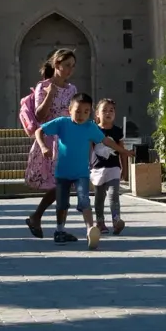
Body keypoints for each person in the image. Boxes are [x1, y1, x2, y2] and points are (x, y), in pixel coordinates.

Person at [21, 48, 78, 239]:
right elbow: (40, 116)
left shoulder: (72, 89)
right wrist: (50, 94)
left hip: (66, 142)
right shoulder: (43, 86)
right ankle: (41, 219)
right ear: (57, 64)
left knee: (64, 186)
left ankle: (49, 224)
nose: (70, 70)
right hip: (49, 141)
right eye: (67, 65)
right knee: (61, 185)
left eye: (73, 66)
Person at [33, 93, 104, 245]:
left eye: (86, 112)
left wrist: (122, 151)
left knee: (84, 199)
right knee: (62, 203)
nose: (81, 115)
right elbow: (39, 131)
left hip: (81, 173)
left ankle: (90, 230)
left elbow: (104, 140)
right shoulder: (62, 123)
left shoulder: (90, 127)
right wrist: (43, 146)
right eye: (77, 111)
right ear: (69, 109)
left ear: (90, 112)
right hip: (63, 172)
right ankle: (59, 231)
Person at [87, 98, 132, 246]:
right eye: (104, 110)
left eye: (111, 110)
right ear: (97, 114)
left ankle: (116, 220)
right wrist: (86, 167)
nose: (108, 113)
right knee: (99, 197)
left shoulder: (117, 131)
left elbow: (122, 152)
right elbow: (88, 150)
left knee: (114, 194)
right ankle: (100, 222)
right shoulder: (93, 130)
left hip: (113, 168)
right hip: (97, 169)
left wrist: (125, 169)